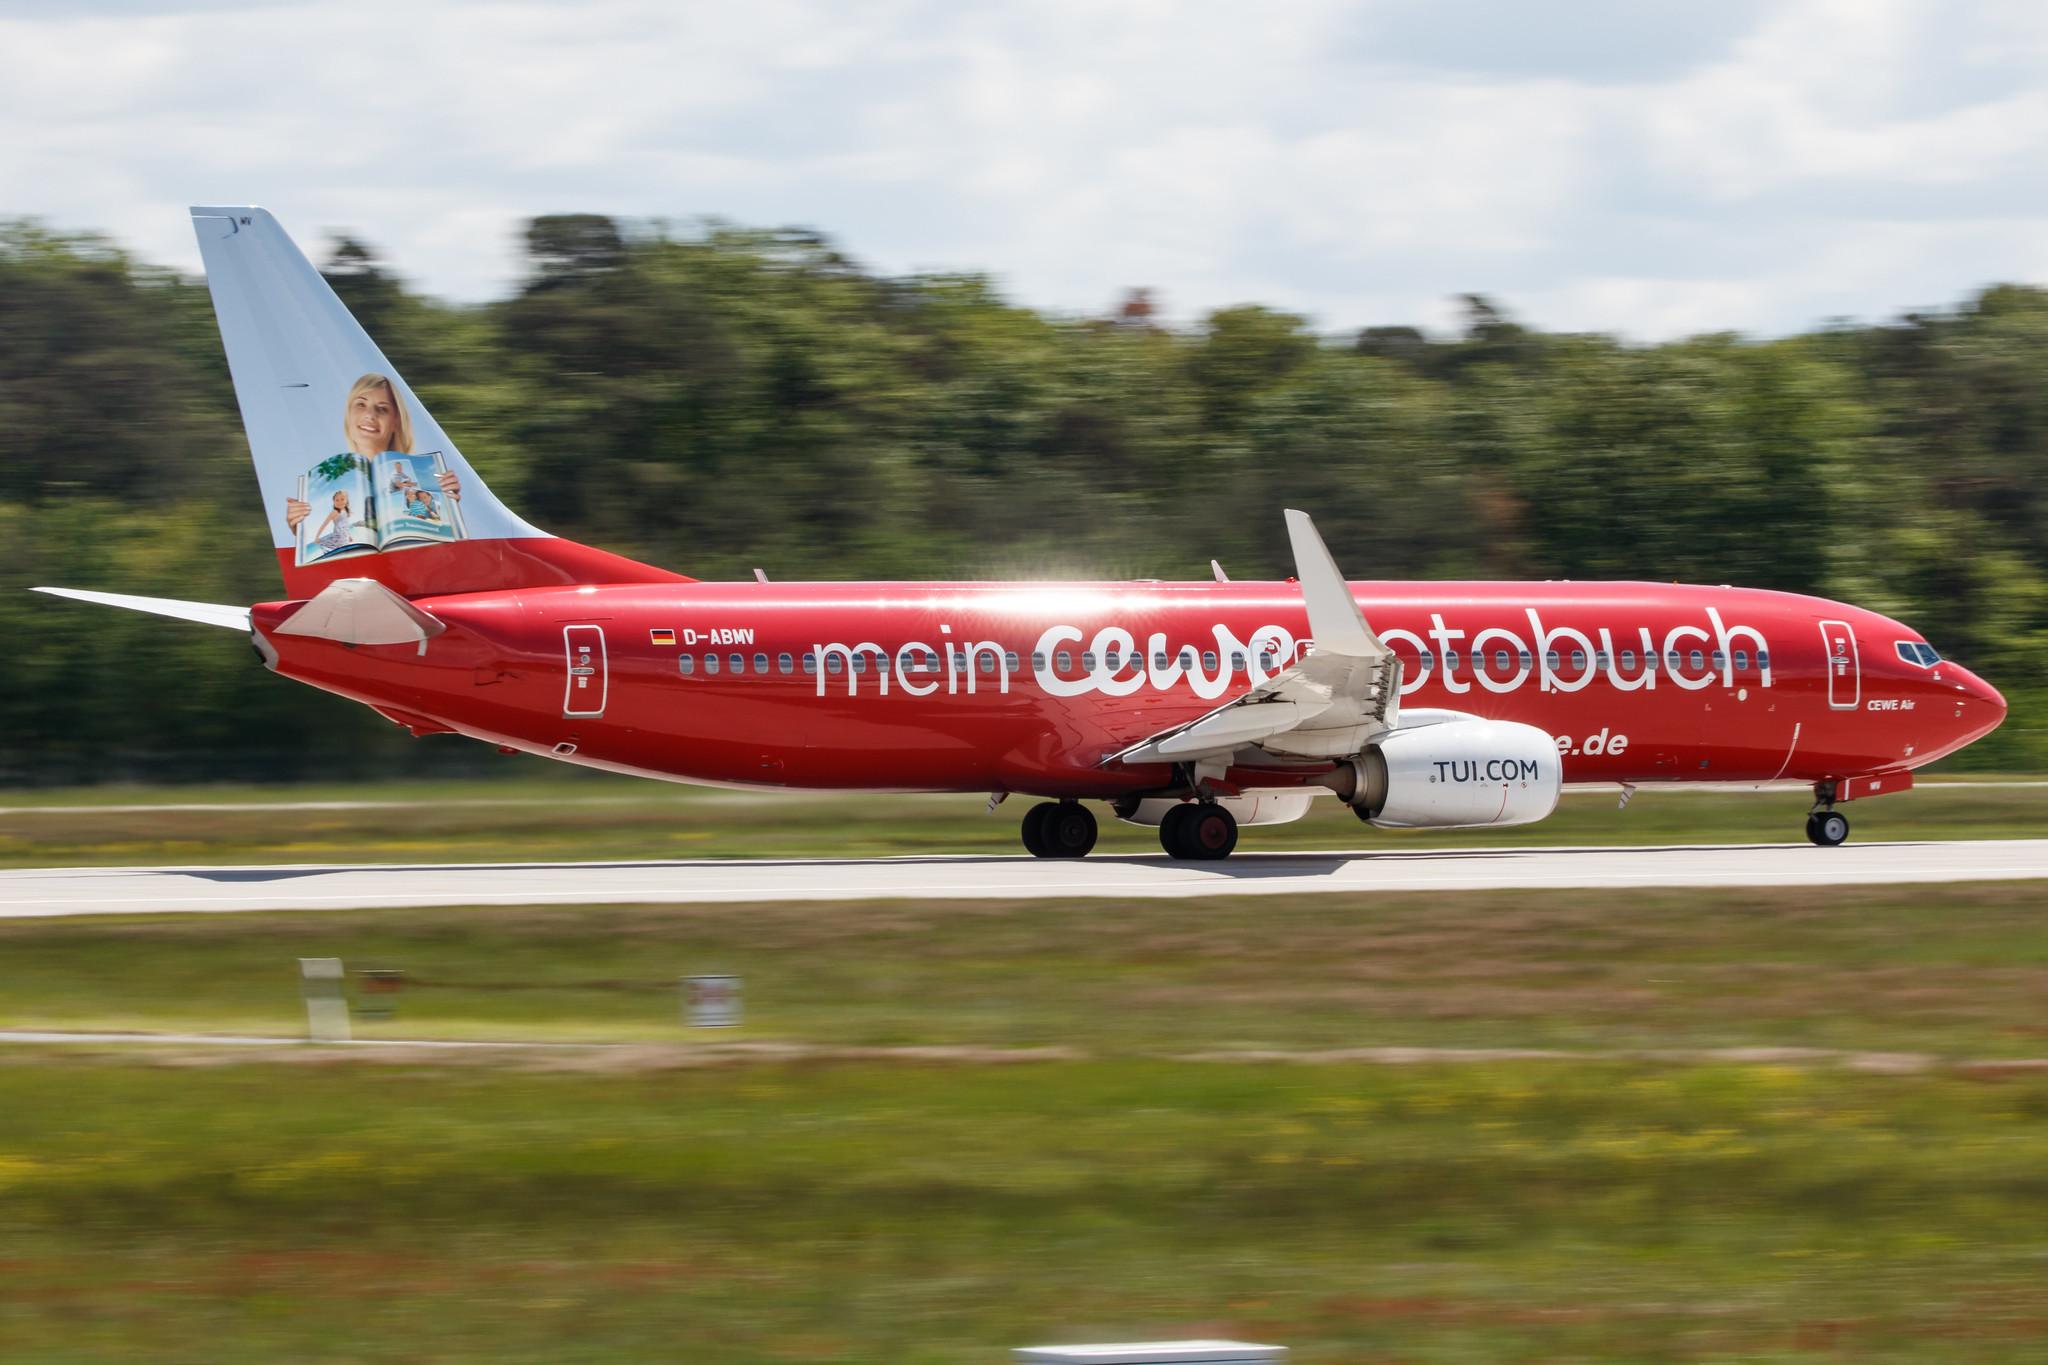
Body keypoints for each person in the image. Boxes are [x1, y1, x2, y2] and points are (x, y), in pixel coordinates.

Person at [285, 373, 461, 532]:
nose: (370, 415)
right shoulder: (325, 483)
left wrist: (448, 505)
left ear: (396, 421)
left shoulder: (427, 474)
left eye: (382, 409)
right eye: (361, 404)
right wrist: (300, 529)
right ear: (349, 414)